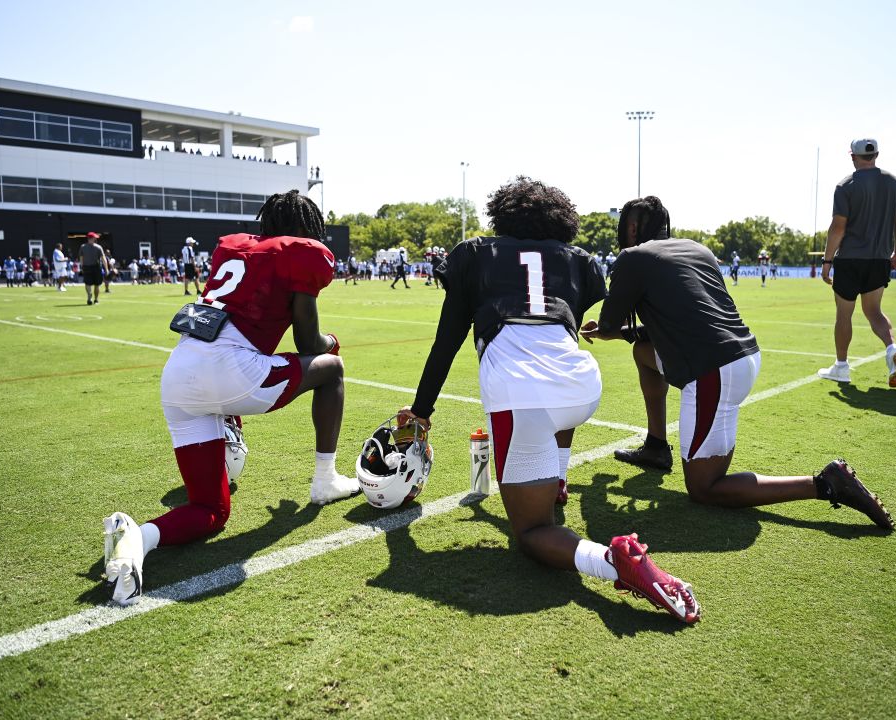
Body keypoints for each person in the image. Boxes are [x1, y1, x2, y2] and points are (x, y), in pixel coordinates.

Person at [398, 177, 701, 625]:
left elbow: (447, 341)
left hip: (522, 394)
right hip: (581, 388)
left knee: (534, 531)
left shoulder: (475, 253)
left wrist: (420, 413)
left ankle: (616, 560)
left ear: (502, 214)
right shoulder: (577, 259)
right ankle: (557, 478)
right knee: (555, 385)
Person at [101, 189, 358, 606]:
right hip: (229, 372)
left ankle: (137, 537)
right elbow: (307, 339)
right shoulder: (299, 252)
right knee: (333, 370)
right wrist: (333, 342)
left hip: (179, 375)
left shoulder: (233, 249)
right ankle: (325, 479)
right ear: (303, 229)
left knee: (211, 510)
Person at [581, 196, 894, 534]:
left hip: (714, 371)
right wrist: (625, 334)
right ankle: (657, 446)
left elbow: (611, 325)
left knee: (704, 487)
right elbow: (686, 322)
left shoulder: (633, 257)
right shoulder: (696, 249)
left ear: (631, 227)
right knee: (643, 352)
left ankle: (822, 483)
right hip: (743, 355)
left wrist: (608, 331)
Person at [817, 138, 896, 387]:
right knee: (874, 312)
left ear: (852, 156)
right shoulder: (895, 182)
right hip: (879, 259)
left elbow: (838, 227)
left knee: (844, 314)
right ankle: (893, 349)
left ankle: (841, 367)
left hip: (850, 259)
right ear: (876, 154)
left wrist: (826, 262)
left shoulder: (846, 185)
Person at [79, 232, 110, 305]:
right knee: (97, 284)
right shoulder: (98, 247)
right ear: (92, 238)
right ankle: (96, 299)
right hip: (96, 267)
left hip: (86, 267)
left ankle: (89, 297)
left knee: (88, 283)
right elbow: (103, 259)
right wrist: (106, 269)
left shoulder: (82, 247)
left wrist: (82, 267)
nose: (96, 239)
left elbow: (81, 258)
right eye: (95, 238)